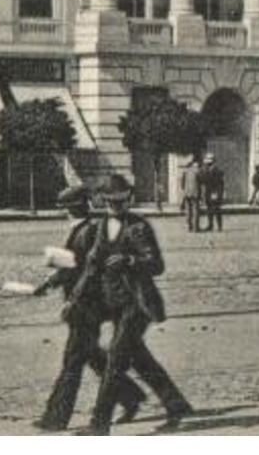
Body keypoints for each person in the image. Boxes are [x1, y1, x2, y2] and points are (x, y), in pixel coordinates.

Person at [74, 174, 192, 435]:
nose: (116, 206)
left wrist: (130, 261)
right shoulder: (102, 227)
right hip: (114, 303)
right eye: (111, 201)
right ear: (102, 201)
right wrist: (75, 299)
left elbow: (157, 265)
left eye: (121, 201)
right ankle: (177, 405)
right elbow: (92, 267)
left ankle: (99, 425)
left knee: (116, 359)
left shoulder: (138, 227)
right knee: (140, 359)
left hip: (137, 304)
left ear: (128, 199)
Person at [33, 185, 143, 432]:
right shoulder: (83, 230)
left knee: (73, 359)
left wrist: (72, 300)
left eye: (65, 209)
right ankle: (129, 395)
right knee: (90, 354)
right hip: (83, 303)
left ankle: (56, 418)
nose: (64, 213)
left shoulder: (87, 232)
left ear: (73, 208)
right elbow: (69, 264)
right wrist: (48, 284)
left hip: (86, 305)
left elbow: (87, 271)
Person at [200, 154, 225, 232]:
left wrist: (218, 193)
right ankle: (211, 225)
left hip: (215, 192)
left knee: (217, 209)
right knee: (209, 209)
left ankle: (219, 226)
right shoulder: (208, 170)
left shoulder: (217, 170)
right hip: (209, 192)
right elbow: (203, 180)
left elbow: (220, 183)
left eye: (208, 163)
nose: (207, 164)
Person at [179, 155, 201, 233]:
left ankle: (189, 227)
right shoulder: (197, 171)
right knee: (196, 210)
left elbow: (182, 184)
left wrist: (185, 190)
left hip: (187, 193)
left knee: (188, 210)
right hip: (195, 193)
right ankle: (196, 228)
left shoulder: (185, 172)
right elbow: (201, 182)